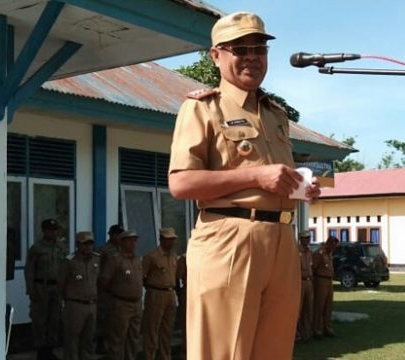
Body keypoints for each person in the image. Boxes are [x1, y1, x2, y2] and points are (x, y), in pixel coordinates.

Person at [168, 11, 321, 359]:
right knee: (224, 352)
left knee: (274, 351)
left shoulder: (276, 115)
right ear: (217, 55)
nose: (252, 56)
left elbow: (276, 177)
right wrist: (256, 176)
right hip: (230, 239)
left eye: (259, 48)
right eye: (240, 49)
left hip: (282, 240)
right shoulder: (202, 109)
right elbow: (181, 183)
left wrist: (299, 187)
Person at [25, 218, 68, 360]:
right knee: (40, 320)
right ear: (44, 231)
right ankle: (41, 352)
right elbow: (29, 270)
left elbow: (64, 268)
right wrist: (31, 290)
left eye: (55, 230)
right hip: (41, 287)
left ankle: (50, 350)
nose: (54, 232)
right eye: (50, 230)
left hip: (56, 288)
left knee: (54, 320)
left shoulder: (60, 247)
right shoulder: (37, 248)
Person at [100, 230, 144, 360]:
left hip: (136, 304)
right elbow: (103, 282)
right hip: (121, 304)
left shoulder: (137, 259)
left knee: (133, 338)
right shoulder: (115, 260)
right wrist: (118, 293)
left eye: (135, 240)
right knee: (118, 339)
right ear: (122, 242)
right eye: (130, 240)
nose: (133, 243)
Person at [58, 232, 100, 360]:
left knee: (88, 340)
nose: (88, 247)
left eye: (90, 244)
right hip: (75, 305)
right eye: (85, 244)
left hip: (92, 305)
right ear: (78, 245)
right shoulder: (69, 261)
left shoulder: (97, 259)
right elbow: (61, 284)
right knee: (72, 340)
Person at [141, 228, 178, 360]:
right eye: (168, 239)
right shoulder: (151, 256)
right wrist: (152, 288)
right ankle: (149, 356)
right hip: (156, 293)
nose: (171, 242)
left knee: (167, 331)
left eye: (173, 239)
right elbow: (142, 277)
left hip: (170, 293)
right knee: (152, 330)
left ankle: (165, 357)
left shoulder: (174, 256)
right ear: (161, 239)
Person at [97, 224, 125, 353]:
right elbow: (96, 268)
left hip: (118, 288)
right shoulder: (103, 250)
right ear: (111, 235)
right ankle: (100, 342)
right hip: (105, 288)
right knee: (104, 315)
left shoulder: (123, 249)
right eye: (117, 234)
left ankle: (113, 342)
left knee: (116, 317)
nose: (120, 237)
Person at [312, 236, 339, 339]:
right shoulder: (319, 253)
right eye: (333, 246)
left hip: (329, 281)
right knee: (319, 305)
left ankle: (326, 328)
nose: (334, 249)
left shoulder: (330, 254)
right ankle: (316, 329)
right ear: (329, 243)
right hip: (321, 280)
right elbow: (313, 267)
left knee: (328, 305)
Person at [296, 230, 314, 343]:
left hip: (309, 282)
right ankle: (297, 334)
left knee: (308, 309)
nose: (307, 240)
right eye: (305, 238)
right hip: (300, 282)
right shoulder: (296, 251)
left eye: (309, 238)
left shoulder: (309, 252)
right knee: (299, 309)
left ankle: (306, 333)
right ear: (300, 239)